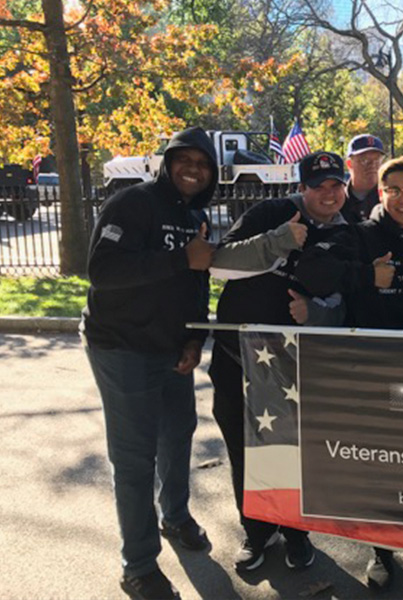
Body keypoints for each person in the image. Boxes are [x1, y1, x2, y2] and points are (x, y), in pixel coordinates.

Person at [295, 156, 403, 590]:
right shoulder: (360, 235)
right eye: (394, 190)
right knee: (384, 464)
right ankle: (382, 551)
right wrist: (368, 276)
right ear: (381, 193)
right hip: (376, 367)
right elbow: (312, 270)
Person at [82, 126, 217, 600]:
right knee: (135, 457)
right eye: (185, 160)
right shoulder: (133, 203)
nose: (193, 169)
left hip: (170, 348)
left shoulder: (197, 214)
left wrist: (195, 340)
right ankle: (138, 565)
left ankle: (175, 517)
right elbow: (101, 272)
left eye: (203, 164)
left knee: (177, 434)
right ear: (167, 162)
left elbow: (197, 284)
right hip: (120, 347)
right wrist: (181, 258)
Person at [207, 151, 349, 574]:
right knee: (242, 447)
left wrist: (316, 312)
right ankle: (255, 530)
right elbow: (219, 264)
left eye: (335, 185)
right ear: (301, 187)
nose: (329, 193)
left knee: (290, 451)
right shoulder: (269, 212)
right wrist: (279, 239)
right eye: (318, 185)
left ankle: (296, 534)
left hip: (294, 364)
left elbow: (346, 303)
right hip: (236, 355)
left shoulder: (350, 234)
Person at [341, 133, 385, 223]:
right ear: (349, 164)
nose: (372, 165)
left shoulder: (389, 199)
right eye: (364, 160)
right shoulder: (338, 201)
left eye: (377, 160)